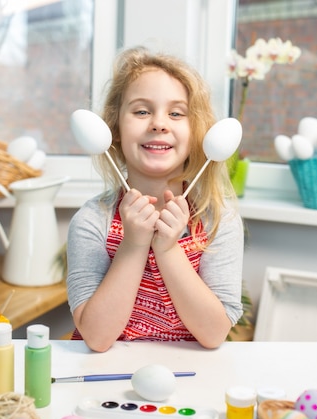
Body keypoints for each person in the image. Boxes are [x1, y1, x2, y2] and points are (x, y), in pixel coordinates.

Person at [66, 46, 244, 352]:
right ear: (115, 129)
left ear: (196, 132)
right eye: (141, 111)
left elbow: (214, 334)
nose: (159, 124)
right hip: (107, 376)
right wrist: (134, 244)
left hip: (191, 375)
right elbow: (96, 337)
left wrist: (168, 248)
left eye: (176, 113)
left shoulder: (218, 220)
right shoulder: (92, 221)